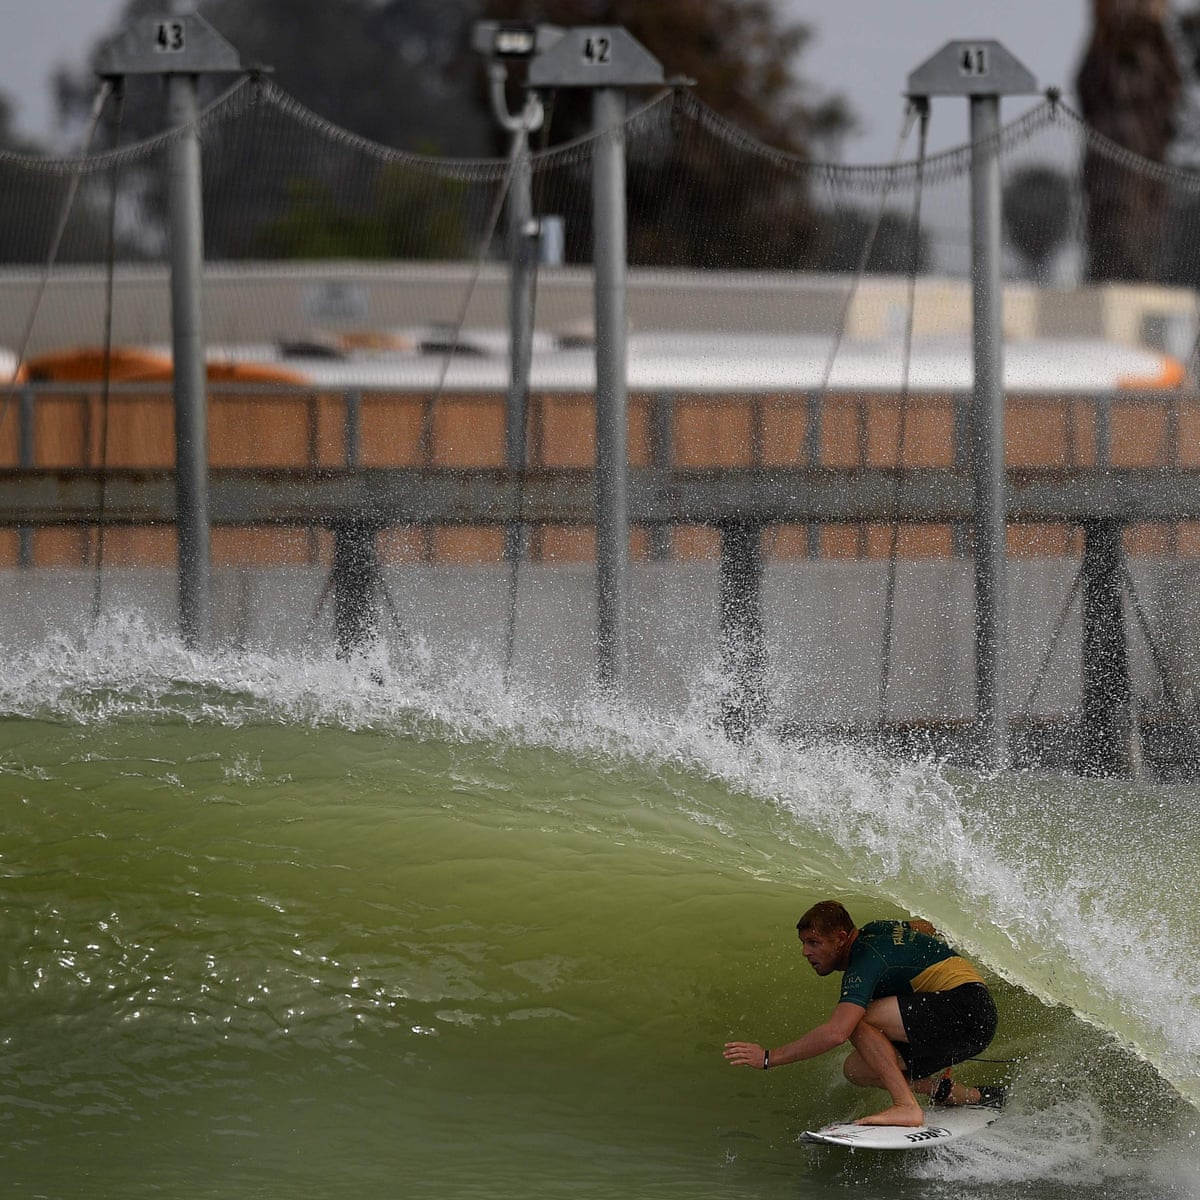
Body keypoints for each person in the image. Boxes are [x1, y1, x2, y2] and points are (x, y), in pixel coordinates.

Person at [723, 900, 1004, 1127]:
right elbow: (925, 927)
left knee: (857, 1020)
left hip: (965, 1009)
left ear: (841, 938)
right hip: (968, 1016)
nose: (804, 952)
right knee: (858, 1070)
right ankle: (970, 1095)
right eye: (804, 942)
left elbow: (836, 1033)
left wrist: (769, 1058)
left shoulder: (866, 960)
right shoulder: (877, 929)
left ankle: (906, 1107)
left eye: (813, 942)